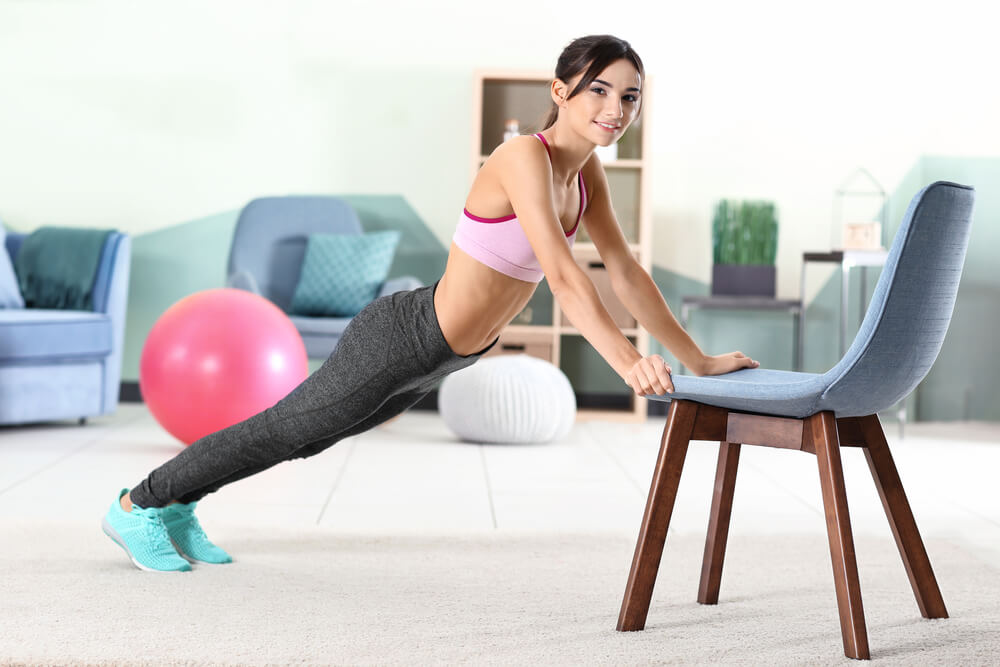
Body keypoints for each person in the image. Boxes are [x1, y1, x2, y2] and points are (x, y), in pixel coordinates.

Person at [102, 34, 759, 572]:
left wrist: (695, 359)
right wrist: (627, 360)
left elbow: (624, 270)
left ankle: (179, 502)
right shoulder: (521, 157)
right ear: (559, 92)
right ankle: (139, 504)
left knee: (305, 440)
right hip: (405, 337)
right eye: (599, 89)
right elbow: (563, 276)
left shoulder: (585, 175)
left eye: (630, 96)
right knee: (286, 427)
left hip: (443, 357)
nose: (615, 107)